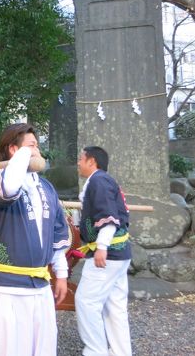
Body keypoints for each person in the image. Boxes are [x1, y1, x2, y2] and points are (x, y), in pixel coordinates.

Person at [0, 123, 69, 356]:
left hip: (40, 286)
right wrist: (23, 156)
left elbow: (58, 232)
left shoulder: (47, 188)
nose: (37, 151)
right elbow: (10, 188)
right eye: (32, 146)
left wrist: (61, 274)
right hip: (5, 288)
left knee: (43, 350)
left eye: (37, 146)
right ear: (13, 149)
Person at [75, 146, 132, 356]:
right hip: (120, 253)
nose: (78, 163)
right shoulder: (103, 181)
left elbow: (108, 216)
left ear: (92, 161)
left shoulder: (99, 181)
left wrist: (101, 247)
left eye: (81, 159)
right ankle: (120, 352)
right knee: (114, 307)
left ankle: (95, 351)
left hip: (108, 253)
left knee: (86, 301)